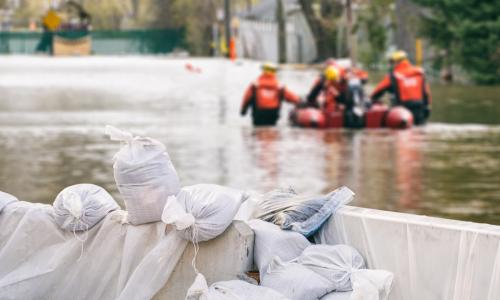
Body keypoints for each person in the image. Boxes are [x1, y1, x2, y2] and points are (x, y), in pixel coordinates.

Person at [371, 50, 432, 125]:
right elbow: (426, 93)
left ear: (397, 62)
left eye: (392, 62)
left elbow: (377, 91)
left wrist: (372, 100)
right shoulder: (419, 73)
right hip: (420, 109)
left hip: (402, 112)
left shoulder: (393, 76)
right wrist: (428, 106)